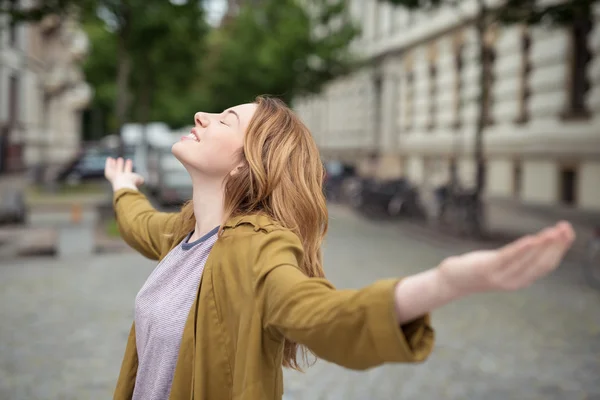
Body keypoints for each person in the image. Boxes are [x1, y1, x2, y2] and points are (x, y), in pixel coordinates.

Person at [105, 96, 575, 400]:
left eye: (226, 119)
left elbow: (324, 315)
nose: (200, 115)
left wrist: (445, 282)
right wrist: (123, 186)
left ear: (247, 166)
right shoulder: (184, 234)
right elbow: (140, 224)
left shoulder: (257, 250)